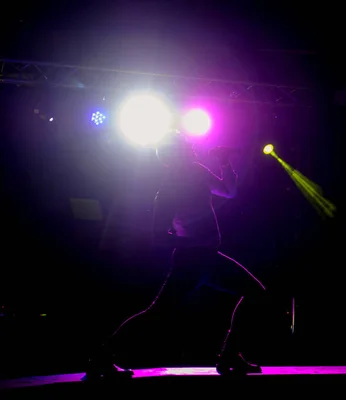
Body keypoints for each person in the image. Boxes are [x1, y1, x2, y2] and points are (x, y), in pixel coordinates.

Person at [83, 134, 266, 380]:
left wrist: (224, 163)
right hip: (192, 259)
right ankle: (101, 358)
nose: (192, 149)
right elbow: (159, 235)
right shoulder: (169, 188)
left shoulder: (198, 172)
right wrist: (189, 241)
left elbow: (228, 191)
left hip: (208, 257)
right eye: (186, 147)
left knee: (255, 293)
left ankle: (230, 356)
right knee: (157, 312)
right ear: (174, 155)